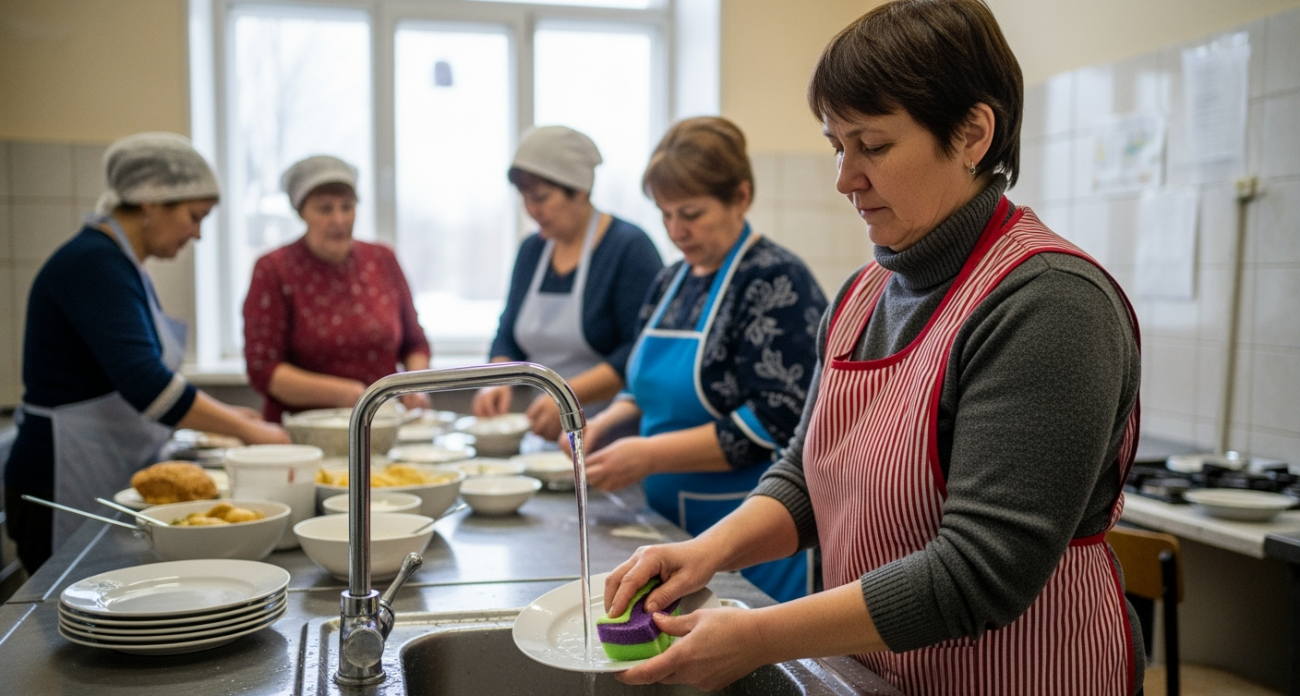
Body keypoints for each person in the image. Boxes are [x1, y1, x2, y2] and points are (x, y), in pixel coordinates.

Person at [600, 2, 1145, 694]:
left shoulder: (1049, 303)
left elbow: (979, 572)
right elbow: (807, 477)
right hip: (878, 673)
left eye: (873, 146)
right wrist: (703, 554)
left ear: (974, 133)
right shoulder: (864, 293)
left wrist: (757, 635)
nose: (844, 177)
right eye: (837, 145)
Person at [2, 133, 290, 573]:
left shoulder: (117, 263)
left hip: (95, 464)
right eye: (194, 216)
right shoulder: (94, 263)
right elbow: (147, 385)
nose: (197, 232)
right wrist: (249, 431)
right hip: (61, 477)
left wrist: (234, 416)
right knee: (65, 620)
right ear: (152, 200)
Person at [581, 117, 827, 604]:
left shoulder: (775, 280)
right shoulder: (672, 279)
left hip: (752, 539)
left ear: (740, 196)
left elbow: (774, 424)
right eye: (666, 214)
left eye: (690, 213)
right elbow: (643, 384)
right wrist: (606, 423)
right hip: (668, 524)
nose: (676, 231)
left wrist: (648, 455)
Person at [472, 126, 663, 440]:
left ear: (580, 190)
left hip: (612, 434)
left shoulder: (629, 248)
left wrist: (567, 395)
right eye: (524, 199)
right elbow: (508, 334)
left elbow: (639, 350)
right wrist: (498, 378)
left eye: (541, 198)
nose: (532, 210)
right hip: (546, 433)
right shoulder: (532, 251)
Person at [243, 156, 431, 422]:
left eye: (347, 206)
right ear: (301, 212)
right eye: (325, 209)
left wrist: (414, 384)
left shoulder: (383, 259)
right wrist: (348, 395)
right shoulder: (274, 269)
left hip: (381, 424)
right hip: (305, 431)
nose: (339, 219)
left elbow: (415, 343)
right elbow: (263, 369)